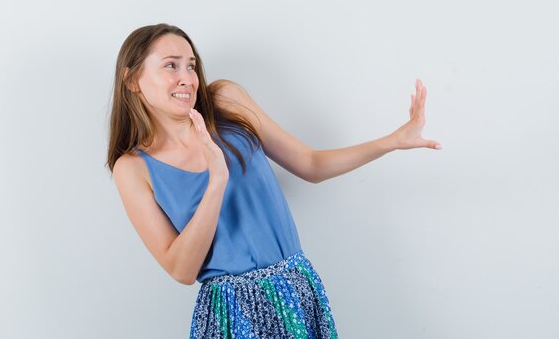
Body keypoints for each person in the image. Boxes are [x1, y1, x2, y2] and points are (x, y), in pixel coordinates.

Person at [106, 23, 441, 338]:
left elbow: (310, 163)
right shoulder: (133, 168)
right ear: (132, 79)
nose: (187, 79)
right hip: (230, 314)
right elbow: (182, 269)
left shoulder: (225, 100)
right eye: (171, 66)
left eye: (191, 66)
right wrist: (217, 180)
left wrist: (392, 141)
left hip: (296, 290)